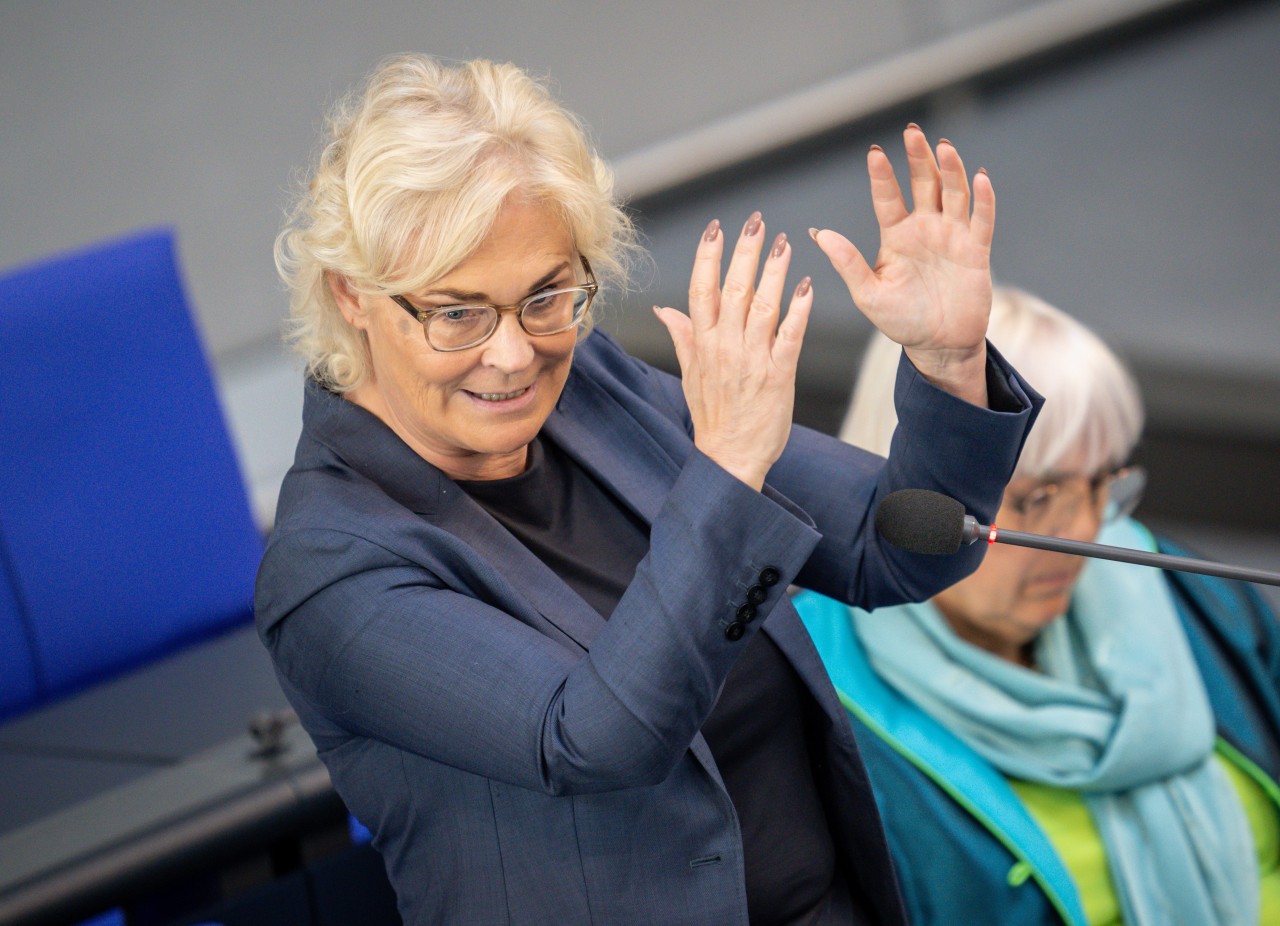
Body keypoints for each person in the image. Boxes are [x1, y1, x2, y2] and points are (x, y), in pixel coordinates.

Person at [255, 53, 1040, 925]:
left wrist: (945, 361)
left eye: (547, 295)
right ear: (352, 296)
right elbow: (596, 738)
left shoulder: (586, 382)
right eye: (457, 313)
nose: (513, 354)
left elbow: (893, 548)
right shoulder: (331, 569)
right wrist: (728, 472)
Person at [796, 287, 1280, 926]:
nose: (1083, 532)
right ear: (911, 497)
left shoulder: (1194, 593)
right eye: (1036, 499)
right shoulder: (806, 701)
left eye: (1101, 483)